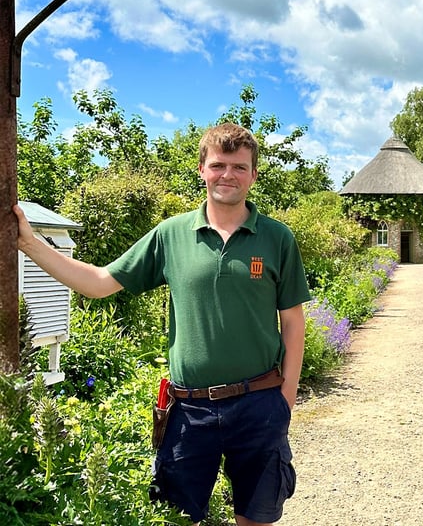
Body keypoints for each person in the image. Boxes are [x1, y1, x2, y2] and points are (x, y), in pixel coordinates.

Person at [14, 122, 310, 526]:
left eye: (240, 167)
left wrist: (285, 396)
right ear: (202, 170)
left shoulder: (277, 238)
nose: (228, 175)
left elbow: (293, 321)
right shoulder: (171, 235)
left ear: (254, 175)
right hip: (189, 409)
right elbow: (99, 283)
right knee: (175, 518)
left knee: (256, 519)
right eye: (219, 165)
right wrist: (30, 244)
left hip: (259, 402)